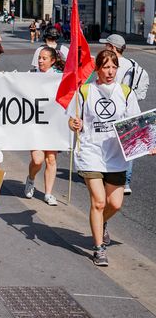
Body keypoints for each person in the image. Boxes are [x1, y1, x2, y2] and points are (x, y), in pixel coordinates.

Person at [67, 49, 141, 266]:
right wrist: (73, 124)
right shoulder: (85, 91)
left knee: (115, 204)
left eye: (114, 67)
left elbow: (136, 124)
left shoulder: (126, 92)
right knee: (98, 202)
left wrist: (147, 144)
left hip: (117, 155)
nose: (110, 72)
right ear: (97, 69)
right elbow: (73, 119)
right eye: (106, 67)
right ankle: (99, 248)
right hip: (91, 152)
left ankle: (101, 223)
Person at [98, 34, 138, 196]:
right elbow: (143, 84)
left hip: (113, 106)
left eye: (106, 45)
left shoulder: (109, 64)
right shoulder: (134, 64)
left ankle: (109, 174)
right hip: (127, 104)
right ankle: (126, 180)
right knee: (127, 142)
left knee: (109, 139)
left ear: (113, 48)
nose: (111, 71)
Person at [23, 46, 64, 205]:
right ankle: (31, 178)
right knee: (38, 159)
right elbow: (10, 83)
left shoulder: (59, 77)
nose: (40, 60)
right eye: (39, 57)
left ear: (52, 61)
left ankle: (48, 193)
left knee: (51, 159)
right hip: (35, 124)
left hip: (53, 124)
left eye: (44, 58)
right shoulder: (30, 75)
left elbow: (74, 88)